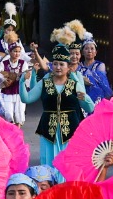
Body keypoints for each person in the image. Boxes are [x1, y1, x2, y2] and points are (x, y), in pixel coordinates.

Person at [21, 38, 96, 167]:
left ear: (68, 67)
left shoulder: (74, 83)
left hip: (70, 129)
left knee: (69, 164)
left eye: (61, 64)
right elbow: (27, 98)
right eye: (55, 64)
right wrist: (22, 82)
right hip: (48, 129)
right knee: (48, 163)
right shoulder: (45, 82)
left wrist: (85, 98)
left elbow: (90, 108)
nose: (58, 67)